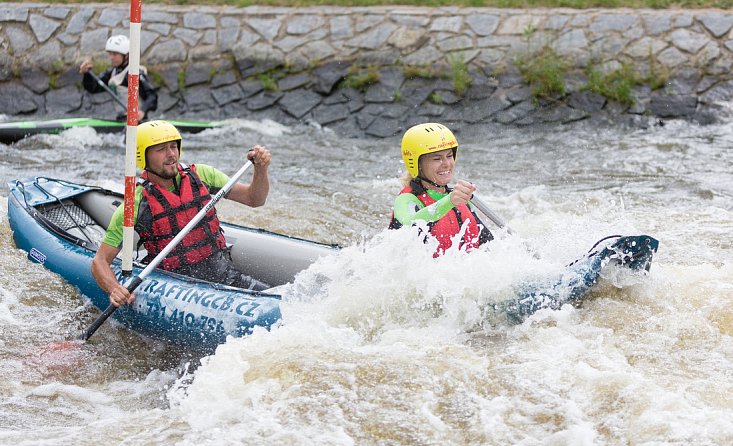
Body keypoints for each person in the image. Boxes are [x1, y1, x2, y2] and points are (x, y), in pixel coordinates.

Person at [91, 120, 271, 308]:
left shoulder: (203, 175)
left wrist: (261, 169)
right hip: (176, 289)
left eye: (173, 147)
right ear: (142, 157)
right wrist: (114, 288)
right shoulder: (134, 205)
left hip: (222, 273)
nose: (170, 154)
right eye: (160, 149)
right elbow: (100, 262)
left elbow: (254, 199)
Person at [389, 122, 493, 257]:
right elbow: (410, 226)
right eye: (437, 158)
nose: (447, 164)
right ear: (417, 164)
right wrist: (450, 201)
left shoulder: (460, 200)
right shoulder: (406, 200)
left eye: (449, 156)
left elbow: (489, 245)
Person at [79, 34, 158, 121]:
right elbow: (93, 88)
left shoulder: (135, 73)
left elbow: (152, 96)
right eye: (110, 54)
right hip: (121, 119)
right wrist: (87, 74)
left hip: (138, 122)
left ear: (126, 56)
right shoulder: (112, 72)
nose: (111, 57)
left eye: (115, 54)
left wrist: (142, 111)